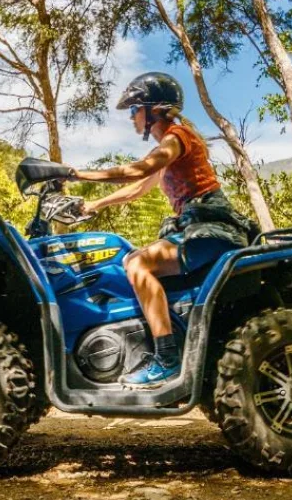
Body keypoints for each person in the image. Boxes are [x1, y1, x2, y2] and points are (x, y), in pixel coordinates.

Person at [69, 72, 257, 388]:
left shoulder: (177, 137)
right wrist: (93, 206)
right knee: (129, 258)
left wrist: (78, 174)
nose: (131, 118)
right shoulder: (169, 152)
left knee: (138, 263)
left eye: (134, 110)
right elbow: (136, 189)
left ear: (154, 109)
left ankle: (167, 360)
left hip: (211, 230)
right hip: (196, 230)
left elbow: (138, 170)